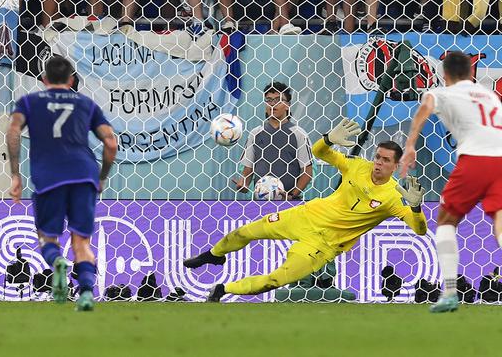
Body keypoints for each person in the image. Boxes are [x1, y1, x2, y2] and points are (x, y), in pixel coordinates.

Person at [185, 117, 427, 302]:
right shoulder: (357, 167)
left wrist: (416, 208)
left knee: (275, 280)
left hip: (322, 245)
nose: (378, 163)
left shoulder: (394, 197)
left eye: (385, 160)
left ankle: (221, 290)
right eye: (377, 157)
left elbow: (419, 230)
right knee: (245, 232)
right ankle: (215, 254)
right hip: (305, 215)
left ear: (396, 166)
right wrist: (329, 139)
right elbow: (320, 152)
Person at [6, 56, 117, 311]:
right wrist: (101, 177)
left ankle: (57, 262)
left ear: (44, 80)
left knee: (48, 239)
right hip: (84, 174)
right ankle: (86, 293)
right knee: (82, 243)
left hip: (49, 177)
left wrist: (15, 174)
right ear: (72, 80)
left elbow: (13, 132)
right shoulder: (86, 104)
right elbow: (111, 143)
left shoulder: (30, 102)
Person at [400, 51, 502, 313]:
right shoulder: (489, 95)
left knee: (446, 222)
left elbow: (425, 109)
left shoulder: (443, 92)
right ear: (471, 73)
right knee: (500, 223)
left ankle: (449, 293)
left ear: (444, 75)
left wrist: (410, 145)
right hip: (500, 161)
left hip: (475, 160)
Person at [233, 82, 312, 200]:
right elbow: (248, 168)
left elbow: (307, 172)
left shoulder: (299, 134)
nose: (272, 104)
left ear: (287, 105)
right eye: (269, 100)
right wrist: (244, 182)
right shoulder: (255, 133)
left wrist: (291, 196)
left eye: (278, 100)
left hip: (289, 204)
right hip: (260, 203)